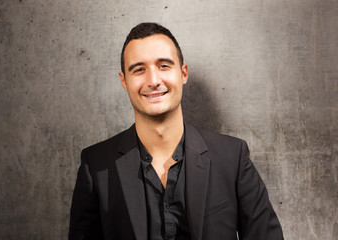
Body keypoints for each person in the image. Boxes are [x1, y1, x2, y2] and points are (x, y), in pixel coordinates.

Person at [69, 22, 284, 240]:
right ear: (124, 80)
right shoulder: (95, 165)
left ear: (183, 73)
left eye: (163, 66)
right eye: (139, 69)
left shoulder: (232, 157)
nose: (153, 81)